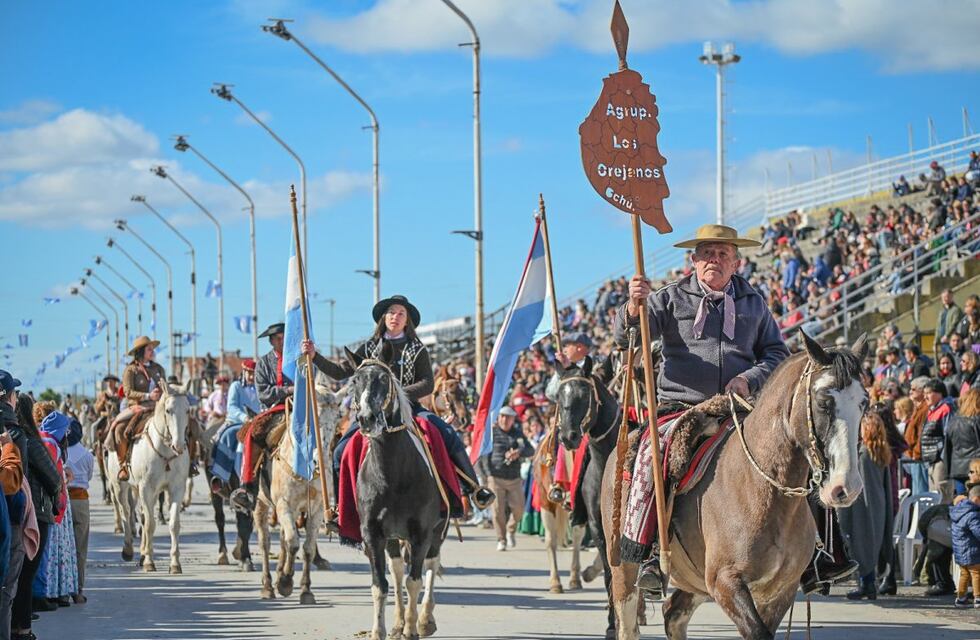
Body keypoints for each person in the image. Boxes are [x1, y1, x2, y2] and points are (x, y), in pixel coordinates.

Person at [613, 224, 796, 595]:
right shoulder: (668, 298)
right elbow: (626, 336)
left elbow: (777, 352)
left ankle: (819, 552)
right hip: (681, 407)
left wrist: (749, 379)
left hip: (739, 406)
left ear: (736, 263)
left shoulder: (754, 302)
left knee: (797, 450)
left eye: (723, 254)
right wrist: (633, 306)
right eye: (708, 253)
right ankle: (649, 553)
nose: (715, 259)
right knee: (652, 455)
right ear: (694, 261)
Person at [301, 295, 493, 512]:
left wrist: (398, 395)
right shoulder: (369, 348)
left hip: (409, 409)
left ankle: (473, 488)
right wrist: (315, 356)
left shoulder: (417, 349)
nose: (396, 317)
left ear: (407, 320)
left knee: (447, 432)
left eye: (401, 313)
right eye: (391, 312)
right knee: (340, 451)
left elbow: (427, 383)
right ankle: (340, 508)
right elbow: (339, 372)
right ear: (384, 318)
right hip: (372, 412)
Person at [9, 396, 60, 637]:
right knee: (26, 576)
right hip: (36, 513)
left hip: (18, 510)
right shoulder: (31, 442)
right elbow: (54, 478)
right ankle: (23, 628)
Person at [231, 323, 291, 512]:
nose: (282, 341)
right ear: (271, 341)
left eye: (285, 337)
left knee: (327, 431)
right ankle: (247, 486)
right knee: (252, 434)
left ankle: (331, 487)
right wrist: (287, 390)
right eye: (278, 338)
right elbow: (263, 393)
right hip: (274, 409)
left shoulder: (298, 360)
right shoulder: (264, 363)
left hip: (299, 408)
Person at [838, 412, 893, 600]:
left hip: (863, 506)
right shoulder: (880, 452)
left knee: (862, 541)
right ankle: (868, 583)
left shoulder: (863, 454)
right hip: (878, 504)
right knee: (870, 542)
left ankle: (867, 583)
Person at [110, 336, 166, 481]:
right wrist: (148, 396)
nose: (153, 351)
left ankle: (188, 460)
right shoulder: (130, 370)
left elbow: (166, 387)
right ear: (141, 352)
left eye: (152, 349)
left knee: (184, 423)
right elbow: (128, 392)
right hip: (138, 407)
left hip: (159, 407)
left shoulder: (158, 369)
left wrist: (164, 392)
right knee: (119, 429)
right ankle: (123, 464)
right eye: (149, 349)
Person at [0, 371, 26, 640]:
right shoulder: (14, 432)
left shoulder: (154, 369)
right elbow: (14, 479)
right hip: (10, 517)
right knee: (116, 428)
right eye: (14, 393)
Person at [210, 359, 260, 495]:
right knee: (225, 439)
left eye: (253, 373)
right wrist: (245, 418)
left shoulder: (259, 387)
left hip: (256, 424)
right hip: (237, 422)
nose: (251, 376)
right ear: (243, 372)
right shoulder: (236, 386)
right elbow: (231, 407)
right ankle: (220, 475)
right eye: (249, 373)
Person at [487, 407, 533, 551]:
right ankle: (501, 539)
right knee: (497, 511)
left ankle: (511, 529)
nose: (505, 420)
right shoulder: (492, 433)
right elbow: (484, 454)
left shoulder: (518, 434)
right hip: (496, 477)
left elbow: (530, 450)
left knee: (519, 508)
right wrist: (487, 474)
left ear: (513, 419)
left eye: (508, 417)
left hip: (514, 478)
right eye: (502, 416)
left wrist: (518, 452)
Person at [65, 419, 93, 604]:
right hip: (81, 501)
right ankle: (78, 589)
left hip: (64, 500)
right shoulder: (87, 455)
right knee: (80, 547)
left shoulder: (59, 452)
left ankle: (62, 589)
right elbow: (89, 476)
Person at [920, 379, 956, 491]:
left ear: (940, 393)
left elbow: (948, 435)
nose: (925, 397)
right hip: (931, 460)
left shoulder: (946, 408)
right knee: (933, 495)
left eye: (929, 393)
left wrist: (943, 458)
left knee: (942, 494)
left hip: (940, 460)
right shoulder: (932, 410)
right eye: (924, 393)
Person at [950, 485, 980, 608]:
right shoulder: (972, 514)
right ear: (977, 499)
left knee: (964, 574)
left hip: (960, 550)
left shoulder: (958, 512)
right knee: (976, 573)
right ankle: (978, 598)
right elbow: (977, 531)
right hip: (972, 550)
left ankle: (961, 598)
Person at [945, 389, 980, 495]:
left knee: (962, 501)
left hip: (957, 470)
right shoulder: (977, 421)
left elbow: (947, 448)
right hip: (976, 469)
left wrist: (948, 471)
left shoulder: (953, 422)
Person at [903, 377, 932, 495]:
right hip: (914, 455)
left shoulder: (925, 408)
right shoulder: (918, 407)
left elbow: (922, 434)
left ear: (922, 390)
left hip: (919, 457)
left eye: (914, 389)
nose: (910, 391)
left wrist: (917, 453)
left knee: (921, 493)